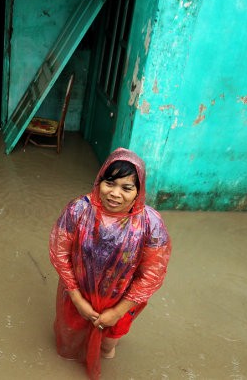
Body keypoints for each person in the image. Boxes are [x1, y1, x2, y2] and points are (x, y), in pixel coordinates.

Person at [48, 148, 172, 379]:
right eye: (110, 183)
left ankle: (107, 349)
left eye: (127, 188)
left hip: (121, 299)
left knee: (108, 346)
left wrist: (118, 311)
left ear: (138, 191)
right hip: (78, 294)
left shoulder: (150, 224)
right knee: (70, 341)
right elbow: (60, 252)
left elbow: (152, 274)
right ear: (99, 181)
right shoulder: (78, 210)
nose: (115, 194)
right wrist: (77, 298)